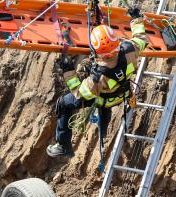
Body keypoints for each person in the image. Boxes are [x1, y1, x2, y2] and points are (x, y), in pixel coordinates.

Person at [46, 8, 149, 158]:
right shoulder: (129, 50)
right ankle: (104, 127)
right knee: (105, 104)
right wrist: (135, 19)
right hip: (122, 94)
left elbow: (79, 94)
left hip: (103, 99)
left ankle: (63, 146)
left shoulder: (97, 77)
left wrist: (69, 71)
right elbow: (141, 39)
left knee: (63, 104)